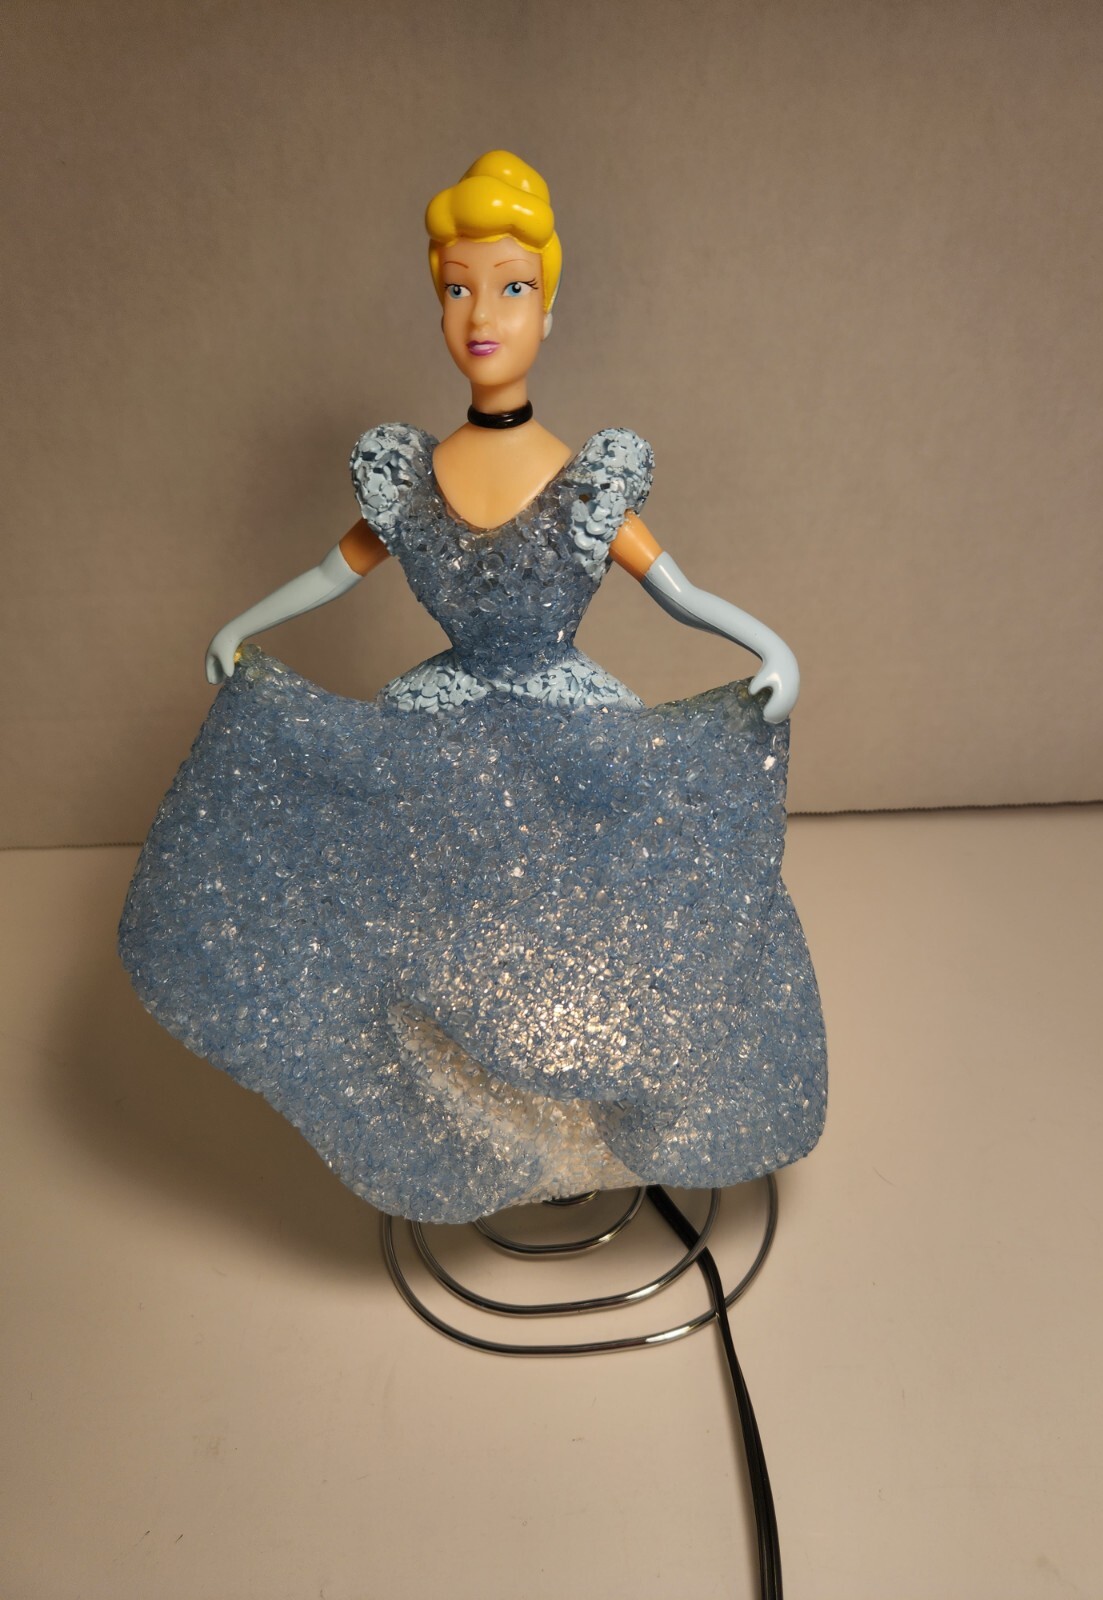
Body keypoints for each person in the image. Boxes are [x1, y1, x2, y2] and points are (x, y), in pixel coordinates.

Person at [119, 151, 827, 1223]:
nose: (482, 316)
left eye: (511, 287)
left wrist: (767, 646)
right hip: (442, 715)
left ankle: (587, 1120)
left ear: (549, 305)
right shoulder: (410, 475)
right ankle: (480, 1128)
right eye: (457, 290)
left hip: (569, 715)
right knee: (430, 915)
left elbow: (674, 588)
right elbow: (335, 570)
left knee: (591, 916)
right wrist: (243, 628)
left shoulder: (586, 480)